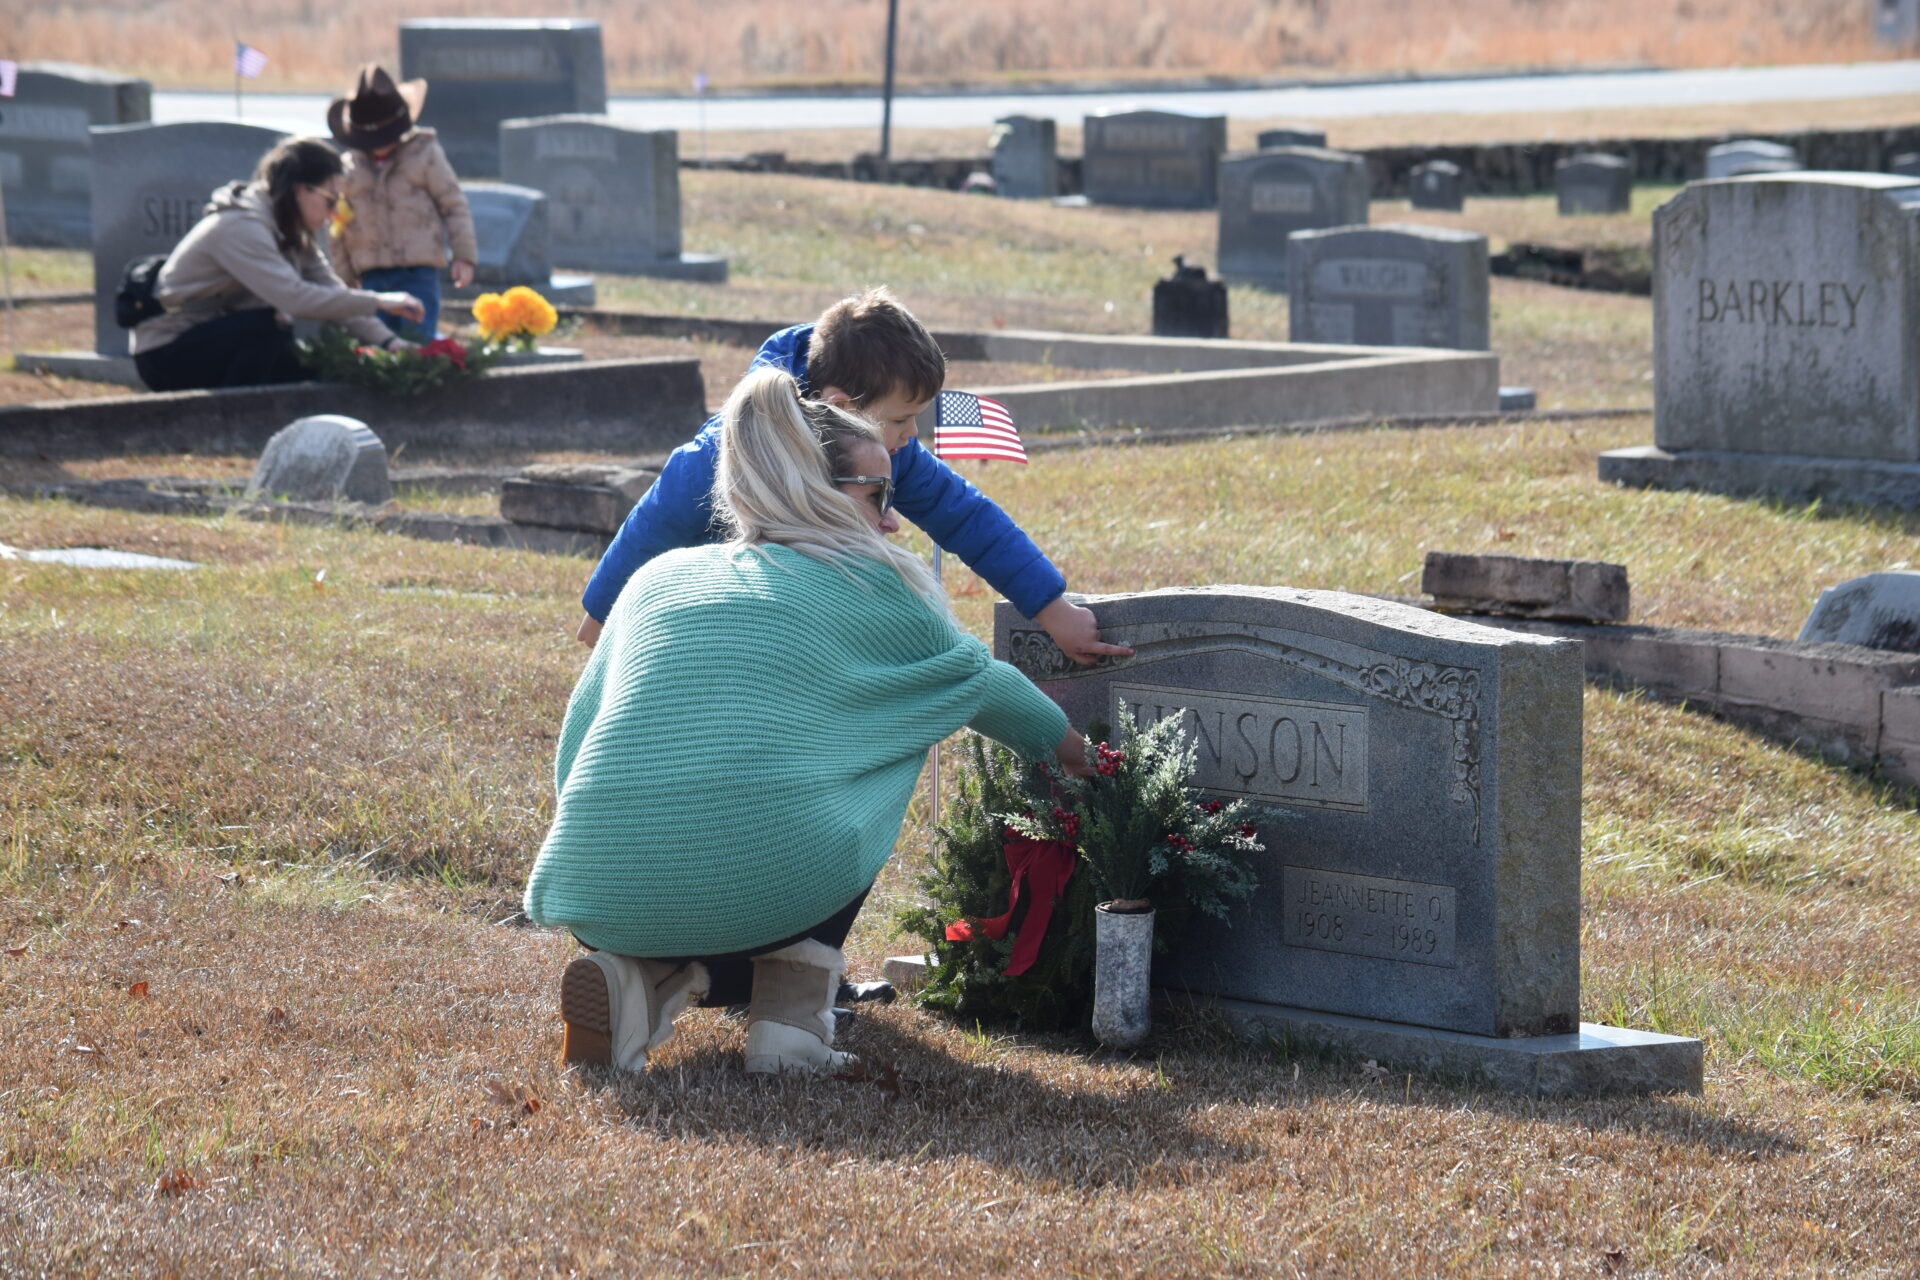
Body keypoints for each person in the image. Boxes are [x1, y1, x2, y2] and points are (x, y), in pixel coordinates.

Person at [523, 366, 1091, 1076]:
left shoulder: (656, 579)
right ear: (815, 489)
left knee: (694, 868)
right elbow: (982, 685)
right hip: (770, 895)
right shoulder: (870, 582)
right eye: (877, 495)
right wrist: (1079, 755)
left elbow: (577, 742)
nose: (892, 520)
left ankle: (633, 976)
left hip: (599, 892)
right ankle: (791, 1023)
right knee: (891, 737)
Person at [573, 287, 1133, 672]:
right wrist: (603, 618)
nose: (911, 436)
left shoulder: (887, 449)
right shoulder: (728, 452)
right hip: (709, 616)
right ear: (844, 406)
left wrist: (1051, 608)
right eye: (900, 419)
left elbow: (964, 516)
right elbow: (655, 525)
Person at [130, 137, 423, 393]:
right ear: (300, 190)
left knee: (308, 367)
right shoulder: (242, 227)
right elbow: (295, 298)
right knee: (269, 325)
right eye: (331, 200)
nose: (335, 213)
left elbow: (333, 294)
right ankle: (234, 417)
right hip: (165, 352)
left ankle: (257, 414)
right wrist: (379, 301)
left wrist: (389, 343)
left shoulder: (292, 230)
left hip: (210, 339)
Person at [324, 64, 477, 342]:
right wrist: (344, 272)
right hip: (369, 275)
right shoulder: (349, 169)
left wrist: (463, 254)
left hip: (417, 271)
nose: (378, 144)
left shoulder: (425, 155)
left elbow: (453, 204)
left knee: (417, 340)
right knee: (377, 342)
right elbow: (338, 223)